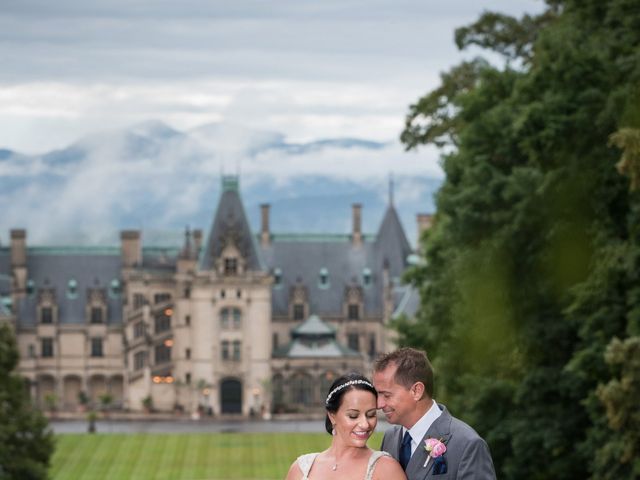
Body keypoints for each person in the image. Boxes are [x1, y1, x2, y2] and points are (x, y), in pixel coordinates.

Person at [373, 348, 496, 479]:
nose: (379, 404)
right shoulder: (389, 438)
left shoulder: (468, 445)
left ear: (417, 391)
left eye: (386, 395)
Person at [285, 372, 407, 480]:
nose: (365, 424)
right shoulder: (301, 469)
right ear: (332, 416)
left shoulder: (386, 469)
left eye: (371, 415)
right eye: (353, 416)